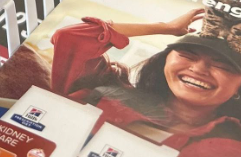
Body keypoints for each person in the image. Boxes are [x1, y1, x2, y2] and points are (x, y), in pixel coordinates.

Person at [51, 8, 241, 155]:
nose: (198, 69)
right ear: (164, 62)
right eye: (187, 55)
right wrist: (166, 27)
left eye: (222, 66)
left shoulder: (230, 145)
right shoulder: (103, 93)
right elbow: (70, 38)